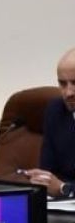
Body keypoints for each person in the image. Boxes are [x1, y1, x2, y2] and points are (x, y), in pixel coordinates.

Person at [23, 47, 75, 197]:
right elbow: (47, 172)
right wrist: (40, 180)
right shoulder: (55, 110)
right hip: (60, 205)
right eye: (62, 84)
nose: (68, 93)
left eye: (74, 83)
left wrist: (65, 188)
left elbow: (59, 186)